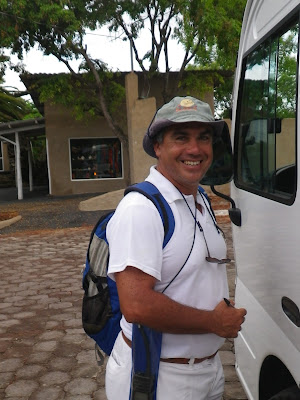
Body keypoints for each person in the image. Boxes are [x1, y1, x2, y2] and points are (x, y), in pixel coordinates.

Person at [105, 96, 247, 400]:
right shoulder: (140, 209)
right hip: (161, 376)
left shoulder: (200, 200)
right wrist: (213, 322)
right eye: (181, 138)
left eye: (203, 138)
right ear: (158, 146)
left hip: (208, 370)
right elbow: (137, 306)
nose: (195, 149)